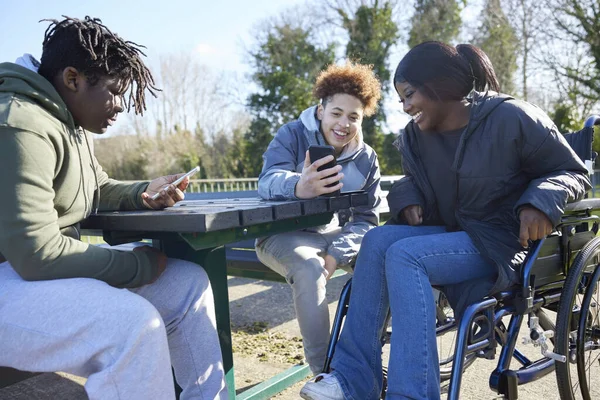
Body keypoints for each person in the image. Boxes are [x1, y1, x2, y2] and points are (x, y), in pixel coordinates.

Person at [300, 41, 590, 400]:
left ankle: (412, 394)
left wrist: (540, 202)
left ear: (437, 84)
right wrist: (408, 198)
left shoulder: (512, 117)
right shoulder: (415, 137)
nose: (405, 107)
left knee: (406, 256)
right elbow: (413, 180)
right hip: (452, 234)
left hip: (501, 240)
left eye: (408, 95)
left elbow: (572, 171)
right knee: (377, 242)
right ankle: (353, 381)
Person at [0, 16, 227, 399]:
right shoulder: (19, 122)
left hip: (30, 274)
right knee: (133, 326)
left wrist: (143, 192)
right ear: (73, 79)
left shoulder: (66, 119)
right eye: (114, 91)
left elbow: (95, 185)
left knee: (186, 284)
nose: (121, 106)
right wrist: (136, 265)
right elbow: (37, 255)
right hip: (13, 274)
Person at [255, 61, 383, 375]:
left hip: (332, 235)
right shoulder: (291, 134)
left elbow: (367, 218)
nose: (343, 124)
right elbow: (267, 180)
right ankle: (324, 374)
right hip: (281, 236)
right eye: (336, 113)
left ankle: (361, 357)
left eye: (353, 116)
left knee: (385, 259)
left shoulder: (366, 158)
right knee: (310, 271)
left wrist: (336, 255)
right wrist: (298, 185)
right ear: (320, 109)